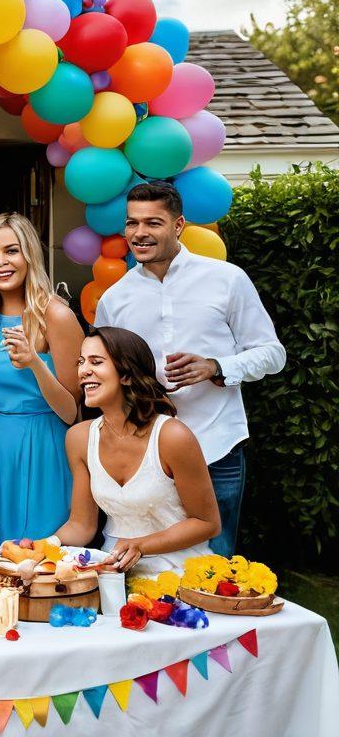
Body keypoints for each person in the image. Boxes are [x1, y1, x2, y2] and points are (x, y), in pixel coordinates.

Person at [95, 181, 285, 555]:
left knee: (215, 562)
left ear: (178, 225)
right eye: (132, 223)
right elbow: (109, 373)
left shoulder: (228, 279)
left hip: (217, 444)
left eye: (153, 222)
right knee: (149, 559)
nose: (139, 233)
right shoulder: (114, 299)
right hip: (146, 453)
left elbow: (272, 353)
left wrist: (216, 366)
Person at [0, 213, 83, 542]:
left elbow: (71, 412)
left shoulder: (56, 316)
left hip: (45, 446)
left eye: (11, 250)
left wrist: (35, 363)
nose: (0, 262)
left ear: (29, 255)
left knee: (39, 557)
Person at [51, 327, 220, 575]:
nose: (83, 370)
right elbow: (81, 525)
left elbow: (207, 523)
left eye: (96, 362)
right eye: (81, 361)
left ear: (127, 375)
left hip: (181, 572)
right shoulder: (79, 438)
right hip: (114, 573)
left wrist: (141, 545)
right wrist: (44, 546)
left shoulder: (172, 436)